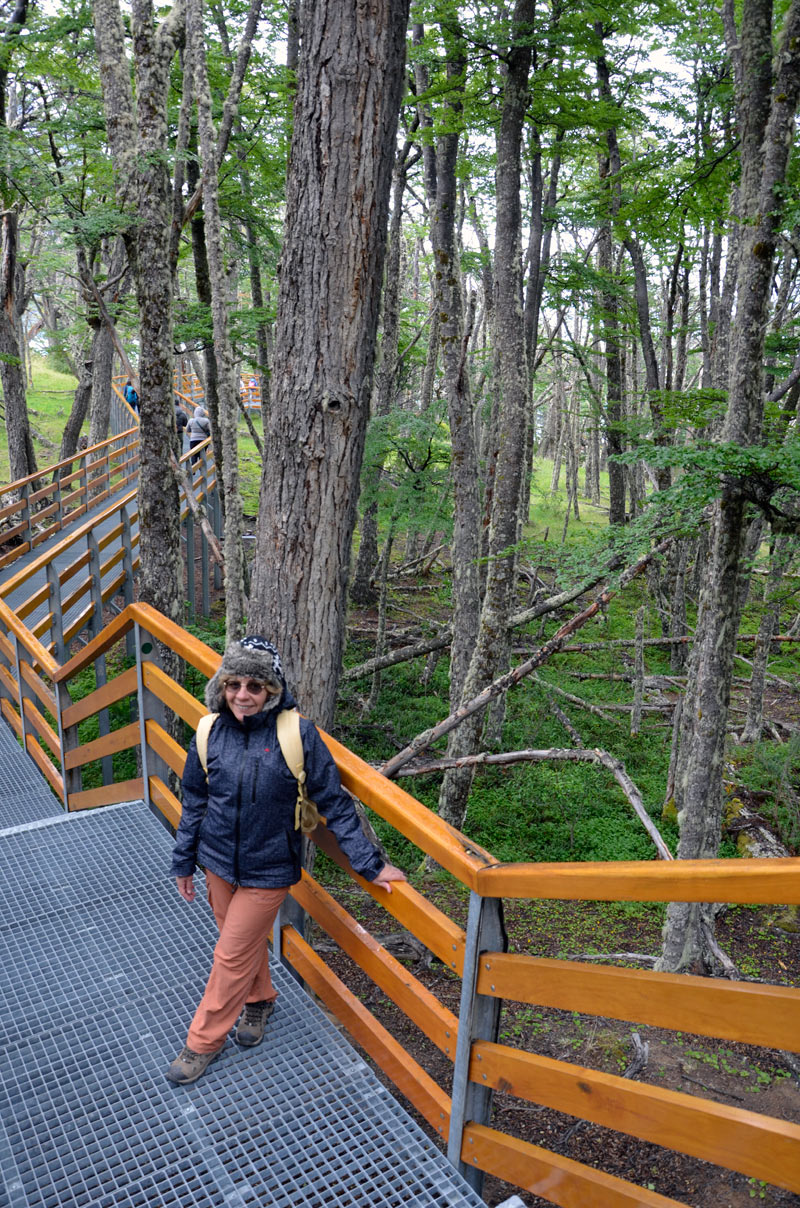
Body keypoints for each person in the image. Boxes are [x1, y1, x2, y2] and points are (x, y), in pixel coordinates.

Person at [166, 635, 405, 1085]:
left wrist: (369, 864)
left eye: (254, 686)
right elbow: (195, 798)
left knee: (230, 954)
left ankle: (202, 1043)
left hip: (269, 867)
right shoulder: (208, 731)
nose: (242, 695)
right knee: (241, 946)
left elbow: (333, 801)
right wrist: (184, 861)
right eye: (233, 684)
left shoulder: (297, 735)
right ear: (222, 686)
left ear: (271, 690)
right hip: (216, 859)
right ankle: (259, 1001)